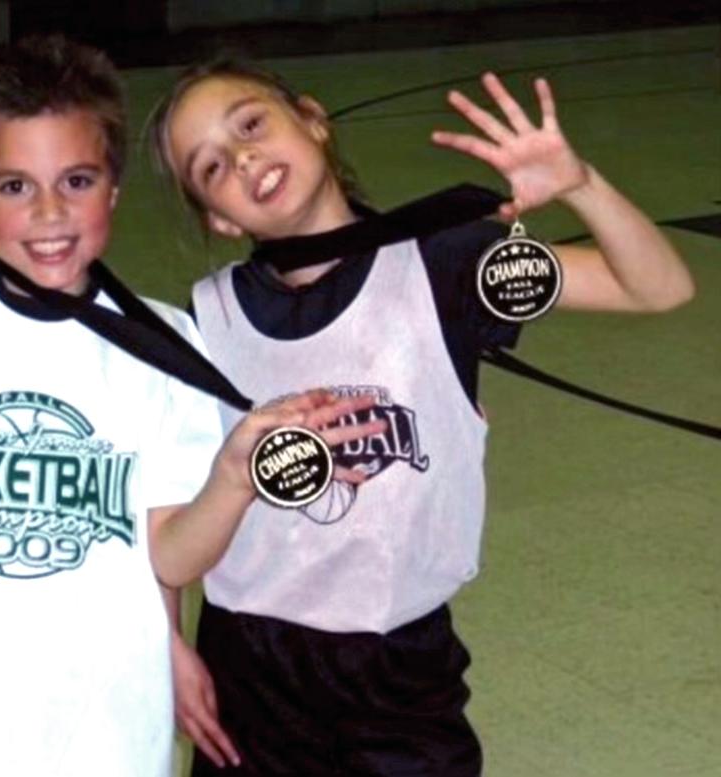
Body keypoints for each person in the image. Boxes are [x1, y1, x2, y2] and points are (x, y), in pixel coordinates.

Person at [0, 38, 385, 777]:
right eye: (14, 186)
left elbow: (161, 536)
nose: (50, 212)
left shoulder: (165, 344)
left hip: (110, 724)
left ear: (112, 190)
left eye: (76, 180)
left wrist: (169, 641)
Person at [149, 59, 695, 776]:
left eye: (251, 124)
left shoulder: (446, 265)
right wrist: (169, 646)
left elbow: (655, 286)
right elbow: (163, 506)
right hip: (252, 670)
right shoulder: (207, 321)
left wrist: (581, 185)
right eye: (212, 166)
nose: (243, 156)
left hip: (401, 666)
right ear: (218, 217)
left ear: (312, 118)